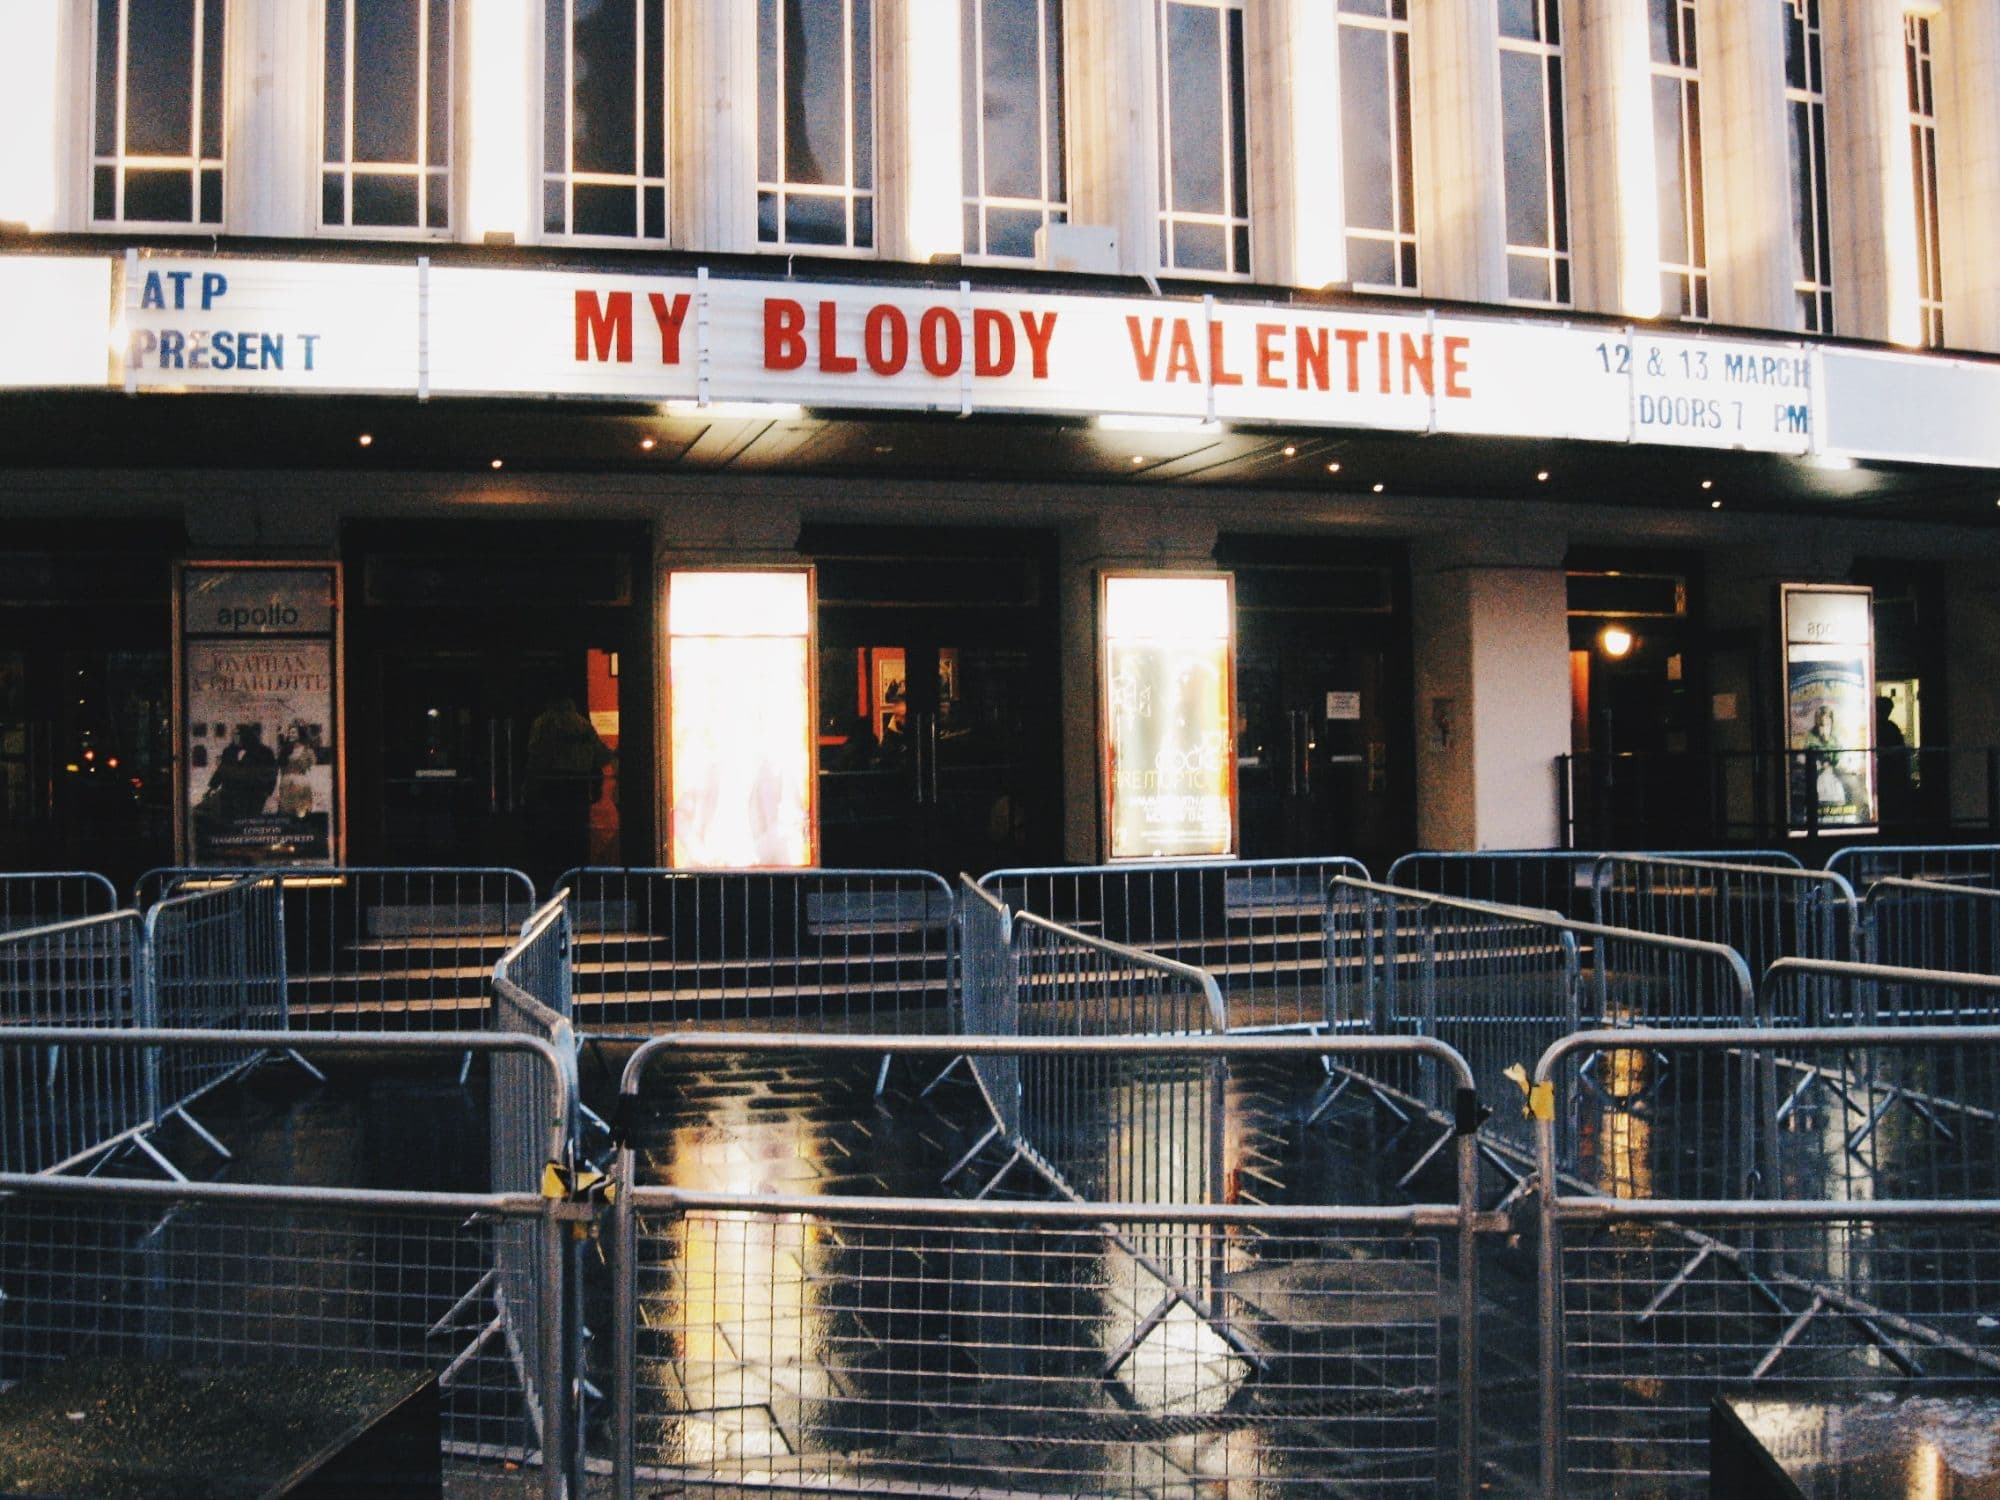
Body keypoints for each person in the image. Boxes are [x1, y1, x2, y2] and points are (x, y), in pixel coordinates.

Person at [524, 696, 613, 875]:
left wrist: (530, 784)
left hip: (551, 784)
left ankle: (552, 873)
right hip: (578, 784)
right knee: (576, 831)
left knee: (552, 831)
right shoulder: (582, 724)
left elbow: (535, 755)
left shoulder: (543, 723)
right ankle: (576, 873)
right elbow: (601, 756)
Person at [210, 722, 279, 820]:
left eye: (237, 734)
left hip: (253, 796)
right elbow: (221, 770)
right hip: (230, 796)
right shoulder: (229, 751)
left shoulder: (264, 752)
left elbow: (272, 772)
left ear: (246, 735)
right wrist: (213, 786)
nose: (234, 737)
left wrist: (267, 792)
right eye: (233, 734)